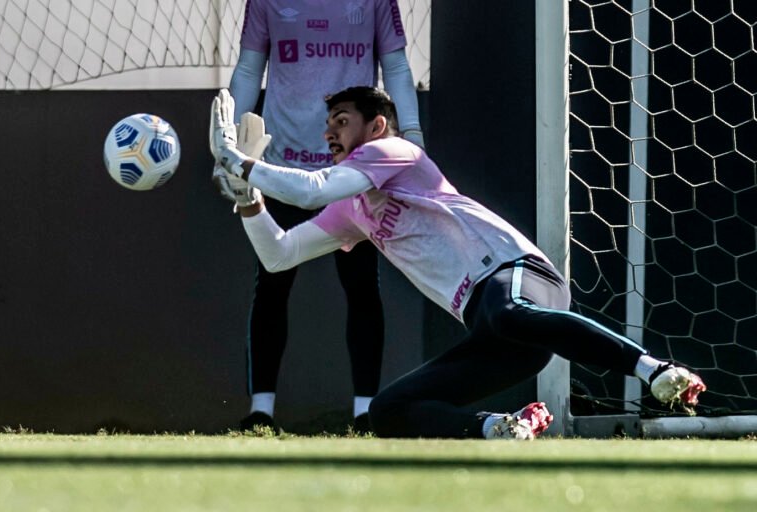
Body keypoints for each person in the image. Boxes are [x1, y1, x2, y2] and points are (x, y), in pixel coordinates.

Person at [208, 86, 707, 439]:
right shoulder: (351, 211)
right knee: (388, 412)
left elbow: (309, 187)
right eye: (328, 126)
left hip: (517, 277)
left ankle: (655, 369)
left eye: (341, 121)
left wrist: (237, 159)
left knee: (505, 312)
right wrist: (248, 201)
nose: (330, 134)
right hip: (498, 329)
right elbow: (280, 256)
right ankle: (499, 428)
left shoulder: (394, 150)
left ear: (376, 125)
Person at [220, 0, 424, 433]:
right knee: (273, 284)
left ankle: (365, 414)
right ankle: (261, 413)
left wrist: (414, 138)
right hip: (282, 164)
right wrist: (232, 146)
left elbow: (398, 69)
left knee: (361, 286)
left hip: (351, 172)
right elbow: (247, 71)